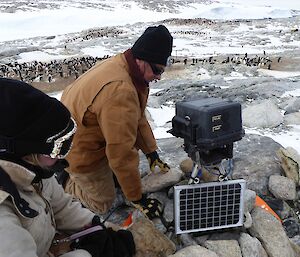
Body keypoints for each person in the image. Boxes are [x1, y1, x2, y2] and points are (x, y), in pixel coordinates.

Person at [0, 78, 135, 257]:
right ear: (23, 151)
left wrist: (97, 226)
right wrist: (90, 253)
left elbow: (61, 206)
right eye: (57, 148)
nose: (62, 157)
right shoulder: (3, 218)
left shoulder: (32, 172)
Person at [60, 25, 173, 217]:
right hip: (78, 150)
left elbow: (136, 116)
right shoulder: (120, 90)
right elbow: (121, 152)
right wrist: (137, 198)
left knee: (121, 168)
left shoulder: (123, 65)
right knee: (102, 203)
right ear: (141, 60)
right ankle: (64, 181)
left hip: (84, 133)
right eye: (156, 70)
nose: (158, 77)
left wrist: (151, 151)